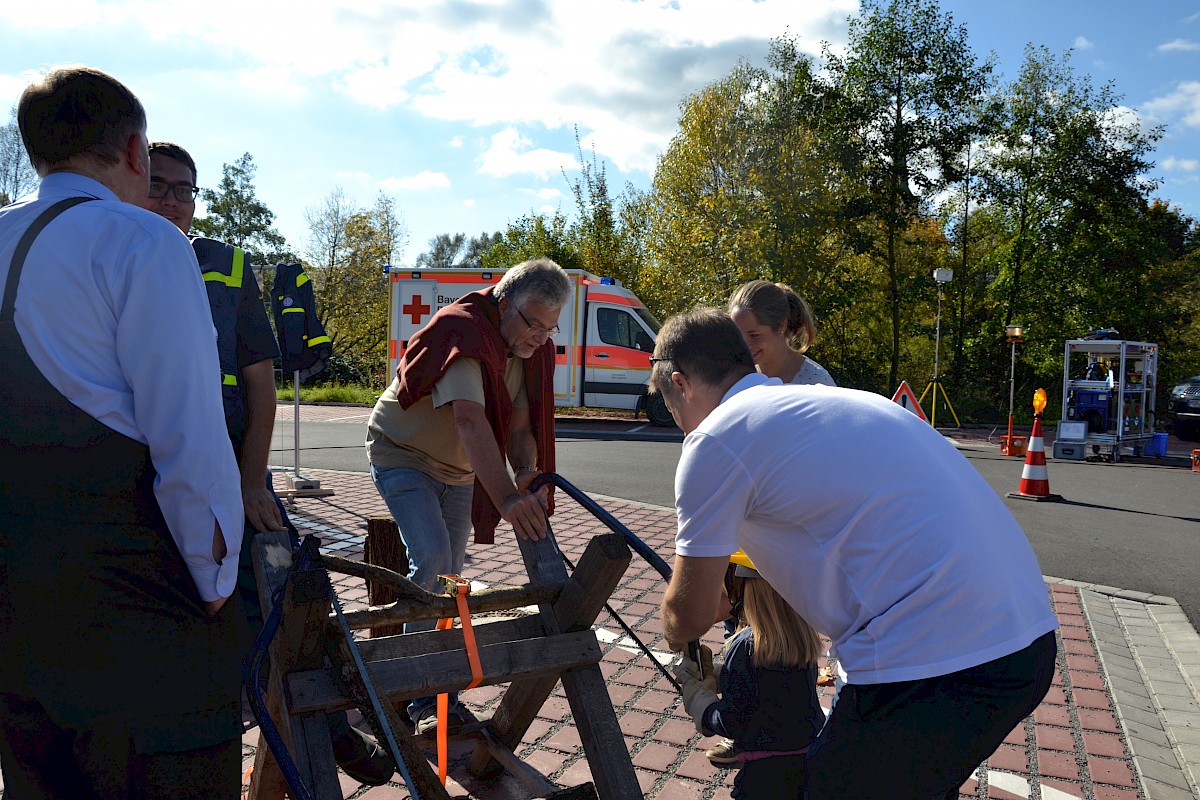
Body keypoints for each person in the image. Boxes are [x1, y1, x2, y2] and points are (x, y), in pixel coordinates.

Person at [654, 307, 1059, 800]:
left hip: (931, 662)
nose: (676, 422)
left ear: (681, 383)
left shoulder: (715, 439)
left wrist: (677, 640)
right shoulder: (832, 401)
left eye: (668, 404)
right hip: (1025, 639)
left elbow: (694, 612)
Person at [0, 66, 245, 798]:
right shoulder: (143, 239)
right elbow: (188, 432)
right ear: (136, 151)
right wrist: (214, 569)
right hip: (126, 584)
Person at [141, 142, 393, 785]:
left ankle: (336, 726)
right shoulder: (122, 255)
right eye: (159, 186)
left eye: (184, 190)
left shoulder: (225, 265)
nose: (171, 201)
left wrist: (253, 479)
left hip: (232, 468)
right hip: (145, 478)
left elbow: (260, 382)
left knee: (296, 584)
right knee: (199, 618)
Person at [366, 257, 569, 734]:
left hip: (457, 471)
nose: (539, 337)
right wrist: (508, 502)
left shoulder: (529, 352)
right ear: (503, 303)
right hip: (403, 454)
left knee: (448, 579)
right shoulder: (466, 334)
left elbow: (520, 427)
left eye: (549, 328)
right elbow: (470, 421)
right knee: (434, 557)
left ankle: (438, 691)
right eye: (532, 323)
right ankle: (419, 695)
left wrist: (524, 472)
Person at [672, 552, 825, 799]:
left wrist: (699, 702)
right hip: (805, 758)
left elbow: (731, 722)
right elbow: (766, 687)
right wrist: (718, 674)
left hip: (762, 773)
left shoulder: (746, 645)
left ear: (740, 586)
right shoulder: (798, 634)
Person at [727, 279, 835, 387]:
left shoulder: (816, 382)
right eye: (738, 335)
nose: (745, 345)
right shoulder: (734, 378)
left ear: (781, 325)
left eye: (754, 335)